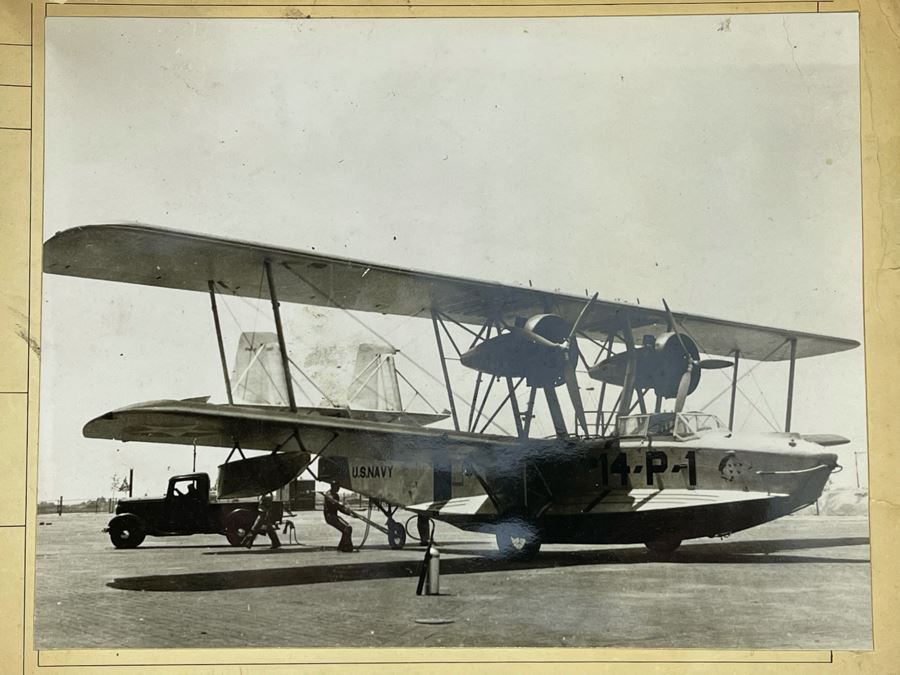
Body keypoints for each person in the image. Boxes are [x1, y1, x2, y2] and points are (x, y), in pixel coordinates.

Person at [323, 482, 354, 552]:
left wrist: (349, 514)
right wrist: (339, 503)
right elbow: (333, 501)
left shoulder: (336, 495)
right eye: (337, 487)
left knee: (349, 528)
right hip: (330, 516)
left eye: (339, 487)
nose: (338, 488)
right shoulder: (328, 494)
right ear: (332, 486)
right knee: (346, 529)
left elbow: (339, 508)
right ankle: (346, 547)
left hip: (334, 516)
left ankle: (342, 546)